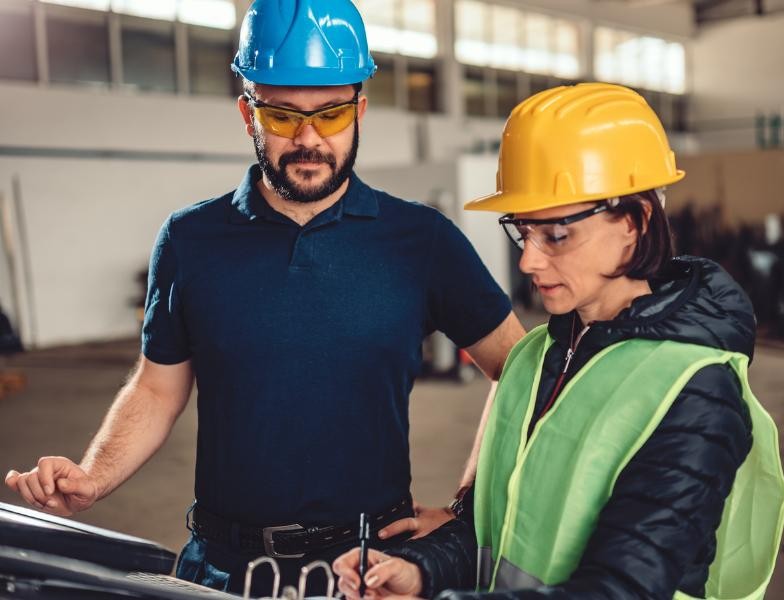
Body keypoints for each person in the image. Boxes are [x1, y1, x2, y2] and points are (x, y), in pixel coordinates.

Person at [4, 0, 524, 595]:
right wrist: (94, 475)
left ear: (360, 109)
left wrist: (465, 510)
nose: (308, 139)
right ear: (247, 113)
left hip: (367, 570)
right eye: (281, 115)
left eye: (329, 114)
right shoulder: (191, 239)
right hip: (222, 568)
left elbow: (519, 369)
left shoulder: (421, 240)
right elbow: (156, 386)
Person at [333, 83, 784, 600]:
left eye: (556, 235)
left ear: (636, 222)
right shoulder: (534, 357)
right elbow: (497, 531)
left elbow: (621, 589)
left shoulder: (694, 389)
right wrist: (421, 572)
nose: (528, 261)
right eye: (523, 231)